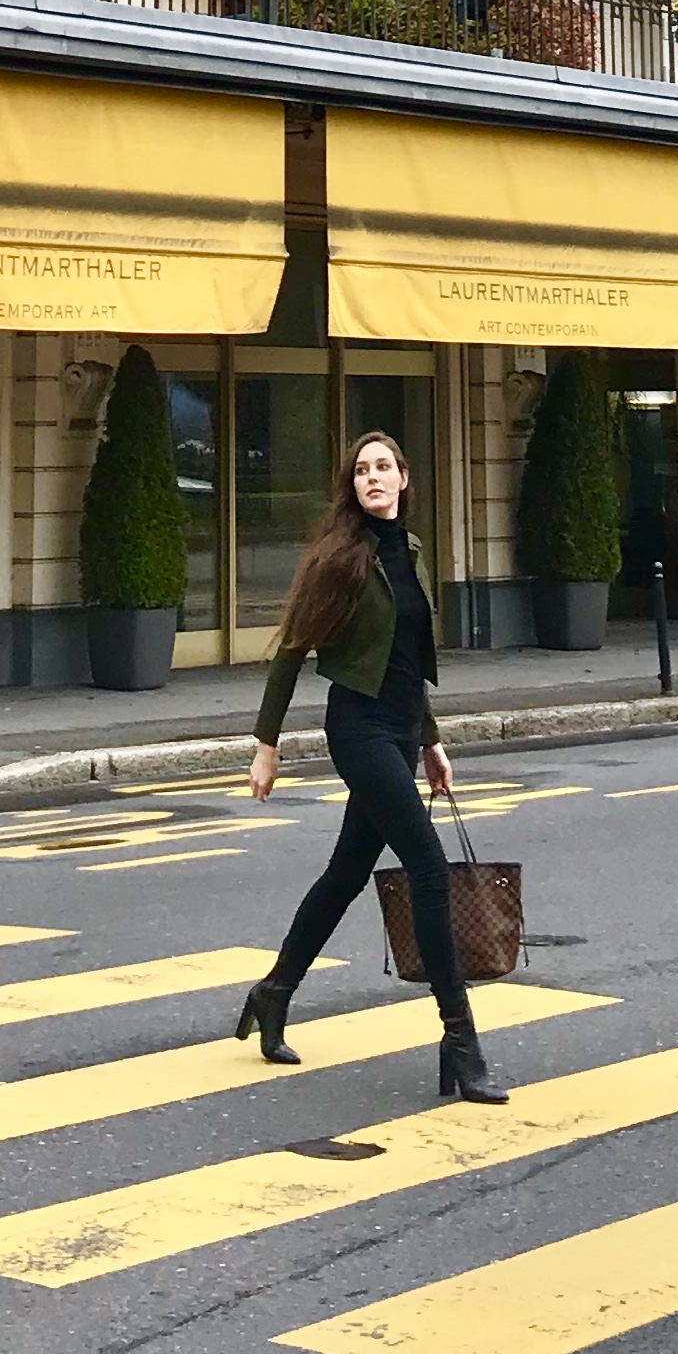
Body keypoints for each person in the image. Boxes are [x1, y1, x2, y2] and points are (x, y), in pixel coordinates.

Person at [234, 428, 508, 1104]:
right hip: (357, 731)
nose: (374, 478)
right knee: (429, 869)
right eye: (363, 471)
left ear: (405, 479)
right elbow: (292, 649)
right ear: (352, 487)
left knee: (345, 875)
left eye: (385, 467)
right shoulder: (339, 557)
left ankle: (274, 992)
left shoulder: (409, 553)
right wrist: (266, 744)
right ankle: (461, 1040)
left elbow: (409, 662)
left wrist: (430, 739)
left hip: (399, 729)